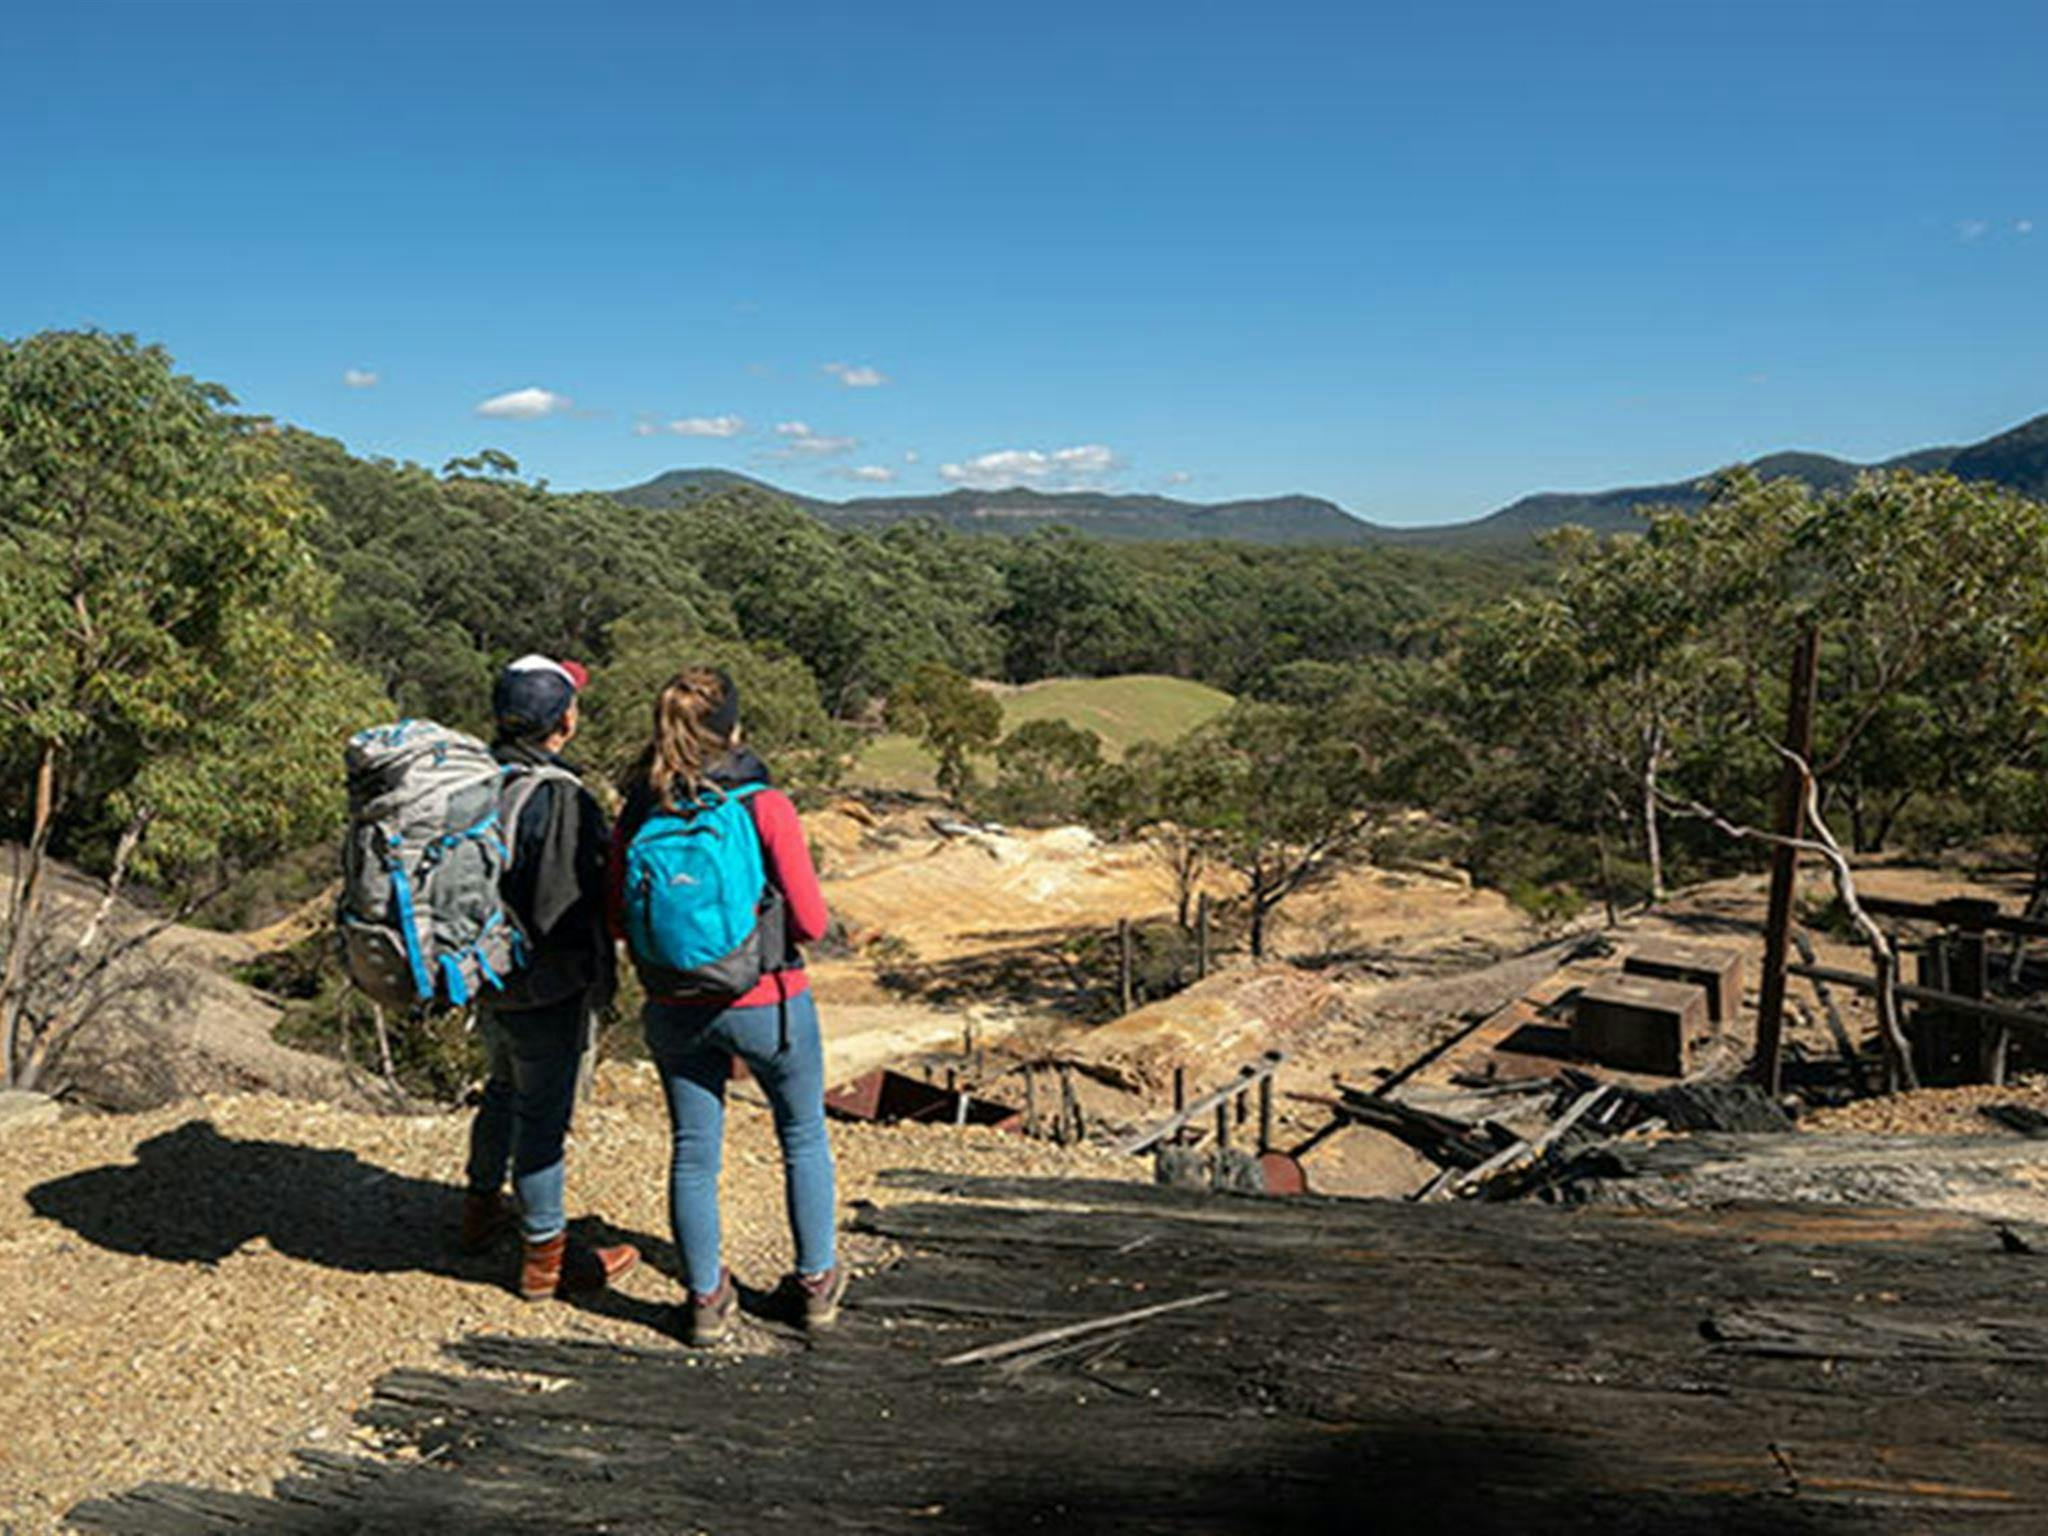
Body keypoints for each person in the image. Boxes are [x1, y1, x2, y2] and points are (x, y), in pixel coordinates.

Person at [607, 667, 841, 1345]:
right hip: (769, 999)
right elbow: (814, 921)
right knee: (801, 1136)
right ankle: (816, 1287)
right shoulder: (764, 804)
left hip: (673, 1002)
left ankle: (707, 1301)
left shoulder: (639, 807)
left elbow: (619, 920)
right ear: (734, 728)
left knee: (693, 1152)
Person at [462, 654, 640, 1302]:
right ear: (563, 721)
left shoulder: (478, 779)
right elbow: (566, 906)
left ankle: (479, 1212)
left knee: (502, 1090)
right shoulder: (561, 798)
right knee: (541, 1115)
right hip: (544, 983)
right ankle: (545, 1260)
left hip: (482, 973)